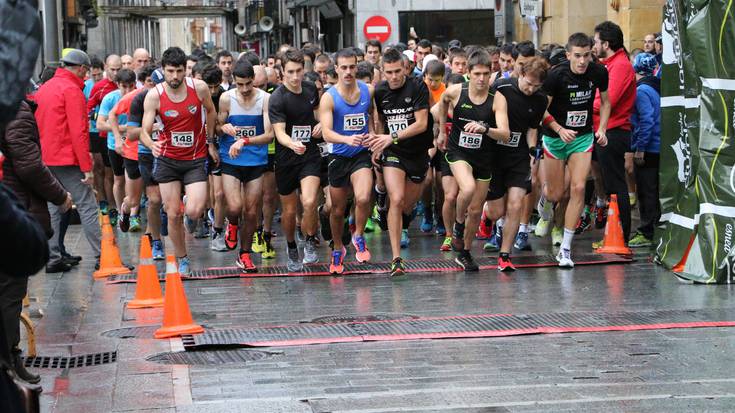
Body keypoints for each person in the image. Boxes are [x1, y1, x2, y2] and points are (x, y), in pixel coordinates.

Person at [0, 99, 71, 383]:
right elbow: (29, 165)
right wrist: (61, 196)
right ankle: (8, 362)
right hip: (10, 210)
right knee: (9, 291)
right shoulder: (14, 108)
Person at [139, 47, 218, 276]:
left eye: (179, 71)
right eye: (170, 71)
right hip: (167, 160)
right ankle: (182, 258)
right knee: (172, 213)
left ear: (186, 71)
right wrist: (151, 143)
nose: (175, 76)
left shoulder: (199, 88)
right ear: (163, 70)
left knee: (194, 210)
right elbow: (144, 130)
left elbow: (211, 112)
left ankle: (189, 209)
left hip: (194, 158)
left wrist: (210, 140)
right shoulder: (154, 95)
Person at [538, 33, 610, 268]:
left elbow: (606, 102)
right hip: (555, 138)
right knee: (556, 194)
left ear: (592, 54)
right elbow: (541, 110)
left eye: (586, 56)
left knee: (578, 188)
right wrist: (559, 129)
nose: (582, 61)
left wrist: (602, 129)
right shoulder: (555, 76)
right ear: (568, 54)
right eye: (577, 56)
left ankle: (566, 249)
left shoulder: (598, 72)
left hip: (582, 137)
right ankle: (545, 200)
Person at [436, 50, 510, 271]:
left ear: (491, 74)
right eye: (477, 73)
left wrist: (485, 129)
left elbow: (505, 133)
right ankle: (458, 227)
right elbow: (442, 101)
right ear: (468, 73)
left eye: (486, 74)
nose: (481, 79)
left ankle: (465, 252)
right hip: (458, 152)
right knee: (466, 188)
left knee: (477, 210)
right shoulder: (457, 91)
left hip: (484, 158)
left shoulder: (497, 99)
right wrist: (441, 132)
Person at [34, 49, 103, 271]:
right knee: (87, 205)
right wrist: (87, 168)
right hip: (65, 158)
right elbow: (79, 132)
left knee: (54, 206)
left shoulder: (45, 88)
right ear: (82, 69)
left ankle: (52, 257)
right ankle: (103, 255)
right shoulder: (71, 90)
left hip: (45, 157)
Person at [369, 48, 433, 276]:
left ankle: (388, 209)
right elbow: (378, 119)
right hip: (394, 151)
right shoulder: (379, 91)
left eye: (398, 71)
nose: (394, 77)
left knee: (406, 204)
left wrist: (391, 136)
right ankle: (396, 259)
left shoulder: (417, 86)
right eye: (389, 72)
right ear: (382, 71)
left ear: (405, 68)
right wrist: (379, 142)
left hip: (417, 152)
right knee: (396, 199)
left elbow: (421, 124)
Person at [484, 57, 549, 271]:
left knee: (515, 205)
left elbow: (532, 128)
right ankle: (489, 218)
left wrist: (532, 153)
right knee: (496, 212)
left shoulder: (540, 100)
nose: (531, 89)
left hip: (519, 156)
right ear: (520, 75)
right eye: (528, 83)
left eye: (536, 86)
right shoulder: (501, 87)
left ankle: (505, 254)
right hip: (494, 153)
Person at [320, 48, 375, 275]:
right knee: (337, 210)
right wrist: (346, 138)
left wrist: (372, 135)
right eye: (344, 68)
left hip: (361, 153)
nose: (349, 72)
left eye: (352, 67)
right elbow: (326, 132)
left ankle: (358, 235)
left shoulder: (368, 90)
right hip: (339, 155)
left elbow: (372, 117)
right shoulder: (328, 97)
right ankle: (338, 248)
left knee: (363, 197)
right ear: (336, 69)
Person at [269, 49, 323, 271]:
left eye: (299, 71)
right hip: (286, 158)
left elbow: (320, 115)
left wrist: (322, 125)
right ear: (282, 72)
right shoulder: (277, 98)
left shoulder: (311, 89)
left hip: (309, 156)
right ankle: (291, 245)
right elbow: (279, 132)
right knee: (289, 212)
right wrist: (291, 143)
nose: (295, 76)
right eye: (290, 71)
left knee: (310, 202)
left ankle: (309, 241)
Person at [217, 60, 274, 272]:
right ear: (233, 82)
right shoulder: (226, 98)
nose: (244, 89)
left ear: (254, 81)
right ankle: (231, 225)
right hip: (231, 158)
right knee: (234, 206)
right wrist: (224, 127)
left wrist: (245, 140)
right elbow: (215, 127)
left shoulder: (265, 99)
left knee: (251, 212)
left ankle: (245, 254)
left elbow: (269, 136)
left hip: (256, 160)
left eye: (248, 84)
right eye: (239, 85)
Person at [592, 21, 636, 245]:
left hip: (614, 132)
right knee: (609, 185)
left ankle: (620, 236)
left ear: (606, 44)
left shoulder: (620, 65)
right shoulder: (608, 64)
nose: (593, 46)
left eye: (596, 41)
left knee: (616, 185)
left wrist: (583, 103)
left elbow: (610, 100)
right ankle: (614, 234)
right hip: (602, 130)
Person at [125, 67, 166, 260]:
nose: (159, 90)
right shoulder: (140, 99)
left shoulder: (178, 95)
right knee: (149, 200)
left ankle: (162, 224)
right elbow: (131, 134)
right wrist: (149, 129)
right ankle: (155, 240)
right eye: (154, 84)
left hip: (173, 153)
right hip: (146, 154)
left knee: (170, 202)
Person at [96, 69, 138, 230]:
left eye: (131, 86)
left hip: (134, 145)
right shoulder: (110, 98)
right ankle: (122, 212)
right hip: (115, 145)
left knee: (131, 179)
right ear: (117, 85)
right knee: (118, 179)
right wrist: (121, 129)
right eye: (124, 87)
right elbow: (100, 124)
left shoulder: (139, 97)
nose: (127, 90)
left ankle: (133, 215)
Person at [629, 53, 661, 248]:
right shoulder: (657, 87)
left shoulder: (641, 91)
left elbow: (647, 120)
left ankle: (647, 232)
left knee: (646, 191)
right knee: (655, 191)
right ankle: (655, 227)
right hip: (659, 147)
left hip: (649, 148)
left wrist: (640, 148)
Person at [87, 54, 122, 225]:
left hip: (127, 136)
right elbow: (88, 108)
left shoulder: (128, 85)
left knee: (125, 175)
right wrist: (97, 116)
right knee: (108, 172)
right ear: (106, 68)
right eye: (112, 69)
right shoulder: (99, 87)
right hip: (104, 136)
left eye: (118, 69)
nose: (115, 73)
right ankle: (112, 207)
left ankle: (128, 209)